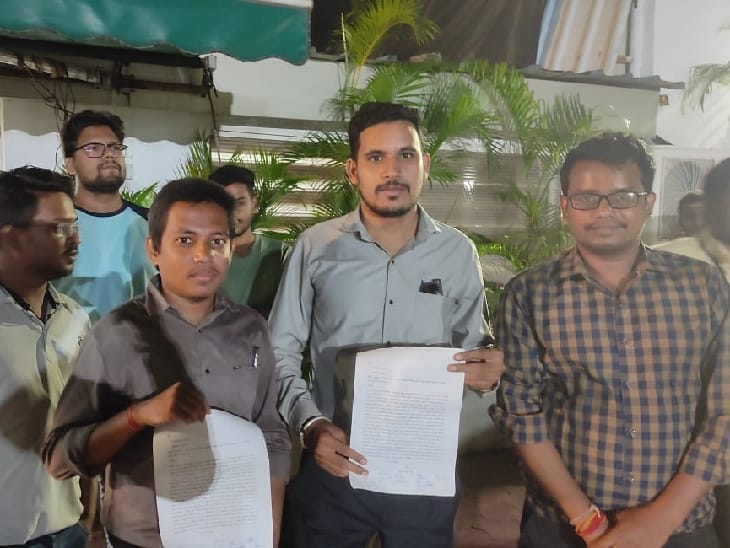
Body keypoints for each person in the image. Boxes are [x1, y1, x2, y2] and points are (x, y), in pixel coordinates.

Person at [270, 101, 504, 546]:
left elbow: (475, 348)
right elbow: (280, 352)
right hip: (333, 462)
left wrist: (489, 369)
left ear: (425, 164)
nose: (392, 170)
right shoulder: (315, 247)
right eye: (376, 157)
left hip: (423, 469)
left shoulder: (457, 253)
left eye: (406, 155)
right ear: (353, 171)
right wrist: (310, 426)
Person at [492, 133, 730, 548]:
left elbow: (725, 411)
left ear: (648, 203)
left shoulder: (703, 286)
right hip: (563, 526)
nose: (604, 211)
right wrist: (588, 521)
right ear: (564, 205)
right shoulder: (530, 294)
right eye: (586, 198)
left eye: (623, 197)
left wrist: (660, 519)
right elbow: (522, 414)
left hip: (682, 526)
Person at [42, 178, 291, 548]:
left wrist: (269, 527)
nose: (203, 255)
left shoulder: (251, 329)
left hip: (233, 530)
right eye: (185, 240)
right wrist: (137, 416)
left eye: (217, 241)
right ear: (154, 249)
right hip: (143, 538)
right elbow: (59, 457)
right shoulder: (116, 333)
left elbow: (269, 433)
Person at [0, 167, 90, 547]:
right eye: (59, 228)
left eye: (74, 225)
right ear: (12, 236)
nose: (75, 239)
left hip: (68, 530)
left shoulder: (76, 318)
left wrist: (90, 516)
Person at [54, 109, 155, 322]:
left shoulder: (150, 223)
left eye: (115, 147)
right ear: (70, 164)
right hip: (66, 342)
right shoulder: (57, 225)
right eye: (93, 148)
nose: (109, 154)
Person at [209, 164, 287, 317]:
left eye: (239, 203)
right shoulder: (200, 256)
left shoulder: (280, 254)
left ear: (254, 204)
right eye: (223, 205)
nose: (232, 213)